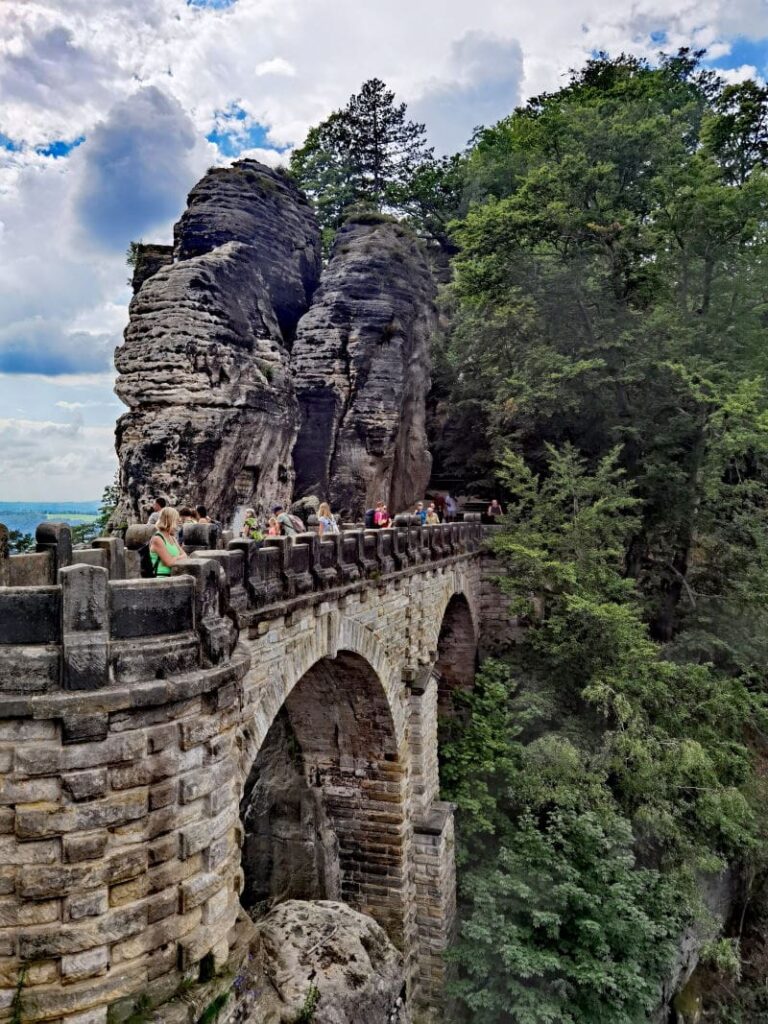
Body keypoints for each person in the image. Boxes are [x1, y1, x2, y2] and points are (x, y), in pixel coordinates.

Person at [149, 507, 186, 576]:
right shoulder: (157, 539)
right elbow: (169, 562)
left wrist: (173, 558)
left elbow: (185, 556)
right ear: (170, 521)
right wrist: (178, 558)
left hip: (174, 576)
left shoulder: (172, 538)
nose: (178, 524)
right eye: (176, 521)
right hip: (161, 578)